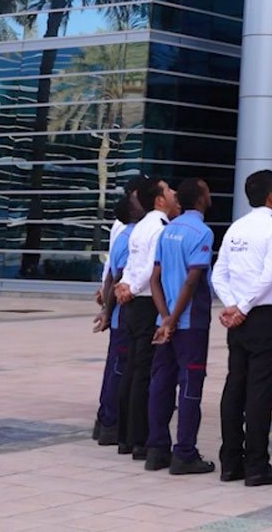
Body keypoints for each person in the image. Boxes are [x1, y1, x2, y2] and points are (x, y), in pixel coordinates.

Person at [212, 168, 272, 486]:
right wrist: (242, 308)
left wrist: (233, 306)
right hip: (265, 316)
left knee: (235, 387)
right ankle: (257, 464)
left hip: (240, 319)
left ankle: (231, 462)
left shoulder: (236, 228)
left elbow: (218, 275)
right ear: (271, 194)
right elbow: (270, 275)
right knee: (260, 393)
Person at [148, 177, 215, 475]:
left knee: (161, 384)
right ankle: (184, 452)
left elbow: (154, 279)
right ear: (200, 198)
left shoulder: (168, 231)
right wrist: (174, 318)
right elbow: (192, 280)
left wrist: (164, 317)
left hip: (165, 323)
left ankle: (156, 449)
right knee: (190, 387)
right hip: (190, 324)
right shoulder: (201, 232)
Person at [116, 176, 175, 457]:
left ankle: (125, 436)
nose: (174, 194)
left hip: (132, 303)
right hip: (147, 303)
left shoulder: (140, 227)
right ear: (159, 199)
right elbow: (151, 268)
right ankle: (139, 438)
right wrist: (132, 289)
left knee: (132, 370)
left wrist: (125, 287)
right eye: (169, 190)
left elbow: (131, 265)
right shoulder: (160, 228)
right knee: (143, 373)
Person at [92, 183, 143, 446]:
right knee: (118, 371)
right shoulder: (130, 236)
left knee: (116, 370)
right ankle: (110, 422)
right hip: (122, 317)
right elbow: (116, 276)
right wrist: (107, 310)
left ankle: (106, 421)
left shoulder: (131, 234)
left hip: (118, 316)